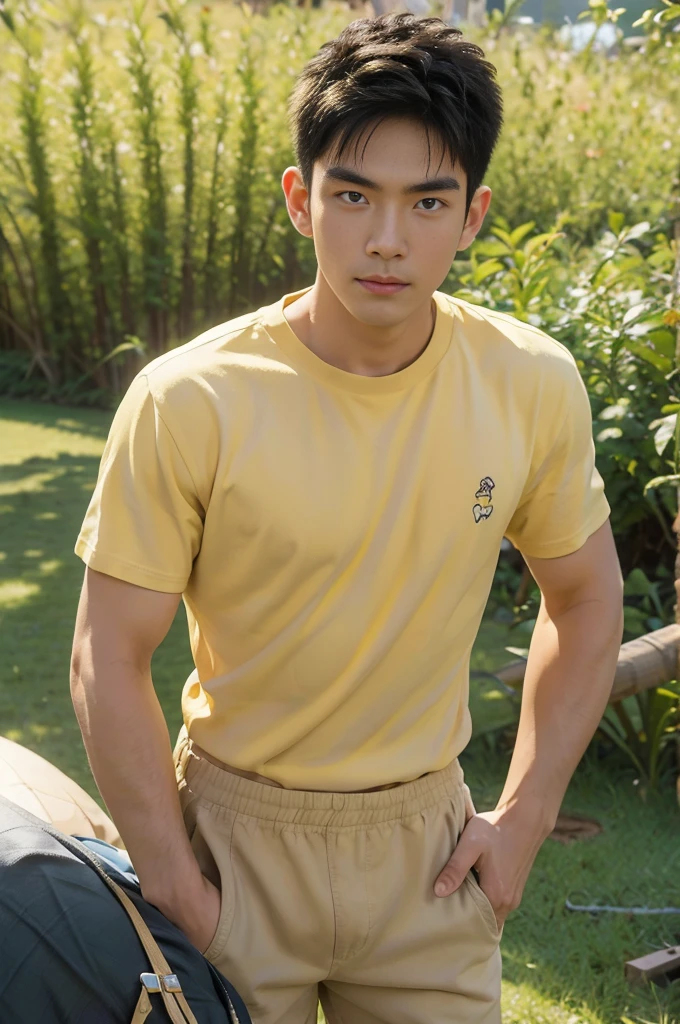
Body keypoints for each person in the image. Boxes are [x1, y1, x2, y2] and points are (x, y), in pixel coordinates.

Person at [70, 14, 623, 1024]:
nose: (384, 238)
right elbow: (105, 655)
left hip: (429, 856)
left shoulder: (529, 382)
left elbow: (584, 598)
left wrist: (525, 815)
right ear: (299, 198)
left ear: (472, 215)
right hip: (232, 844)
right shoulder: (188, 397)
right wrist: (176, 884)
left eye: (426, 202)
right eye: (352, 194)